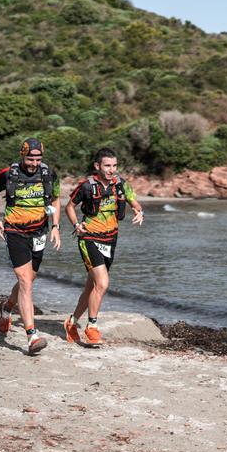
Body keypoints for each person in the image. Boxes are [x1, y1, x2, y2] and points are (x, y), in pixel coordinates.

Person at [63, 148, 144, 347]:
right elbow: (69, 207)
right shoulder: (86, 186)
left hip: (111, 239)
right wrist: (76, 225)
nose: (111, 170)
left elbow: (135, 203)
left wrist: (138, 211)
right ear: (97, 166)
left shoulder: (122, 185)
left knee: (92, 286)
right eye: (107, 166)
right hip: (89, 238)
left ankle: (71, 322)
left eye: (114, 165)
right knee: (102, 284)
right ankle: (92, 327)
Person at [0, 138, 62, 355]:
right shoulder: (8, 174)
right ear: (23, 155)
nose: (34, 163)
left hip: (39, 231)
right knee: (24, 281)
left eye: (38, 159)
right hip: (15, 230)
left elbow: (56, 199)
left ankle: (7, 307)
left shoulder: (48, 174)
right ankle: (32, 336)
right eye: (30, 158)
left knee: (29, 279)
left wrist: (56, 226)